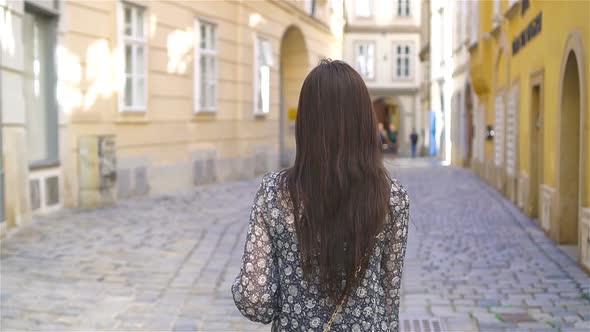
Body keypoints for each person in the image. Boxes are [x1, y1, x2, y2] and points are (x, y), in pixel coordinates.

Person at [232, 60, 410, 332]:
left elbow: (255, 301)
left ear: (306, 123)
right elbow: (389, 300)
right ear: (364, 124)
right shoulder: (392, 198)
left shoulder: (274, 194)